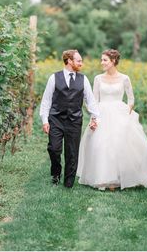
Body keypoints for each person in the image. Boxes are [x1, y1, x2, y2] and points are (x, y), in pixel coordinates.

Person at [77, 49, 147, 191]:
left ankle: (121, 177)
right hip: (102, 113)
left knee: (121, 145)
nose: (102, 63)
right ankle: (105, 178)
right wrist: (94, 116)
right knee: (101, 145)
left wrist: (127, 111)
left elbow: (131, 98)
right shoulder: (98, 79)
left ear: (113, 61)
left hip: (120, 112)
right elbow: (94, 100)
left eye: (105, 60)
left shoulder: (124, 78)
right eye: (101, 60)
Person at [40, 49, 99, 188]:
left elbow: (90, 100)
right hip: (55, 119)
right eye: (79, 60)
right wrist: (45, 120)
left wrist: (94, 117)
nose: (81, 63)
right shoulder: (54, 78)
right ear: (69, 61)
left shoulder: (83, 79)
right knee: (54, 149)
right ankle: (55, 174)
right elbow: (46, 101)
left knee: (72, 153)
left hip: (74, 120)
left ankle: (68, 183)